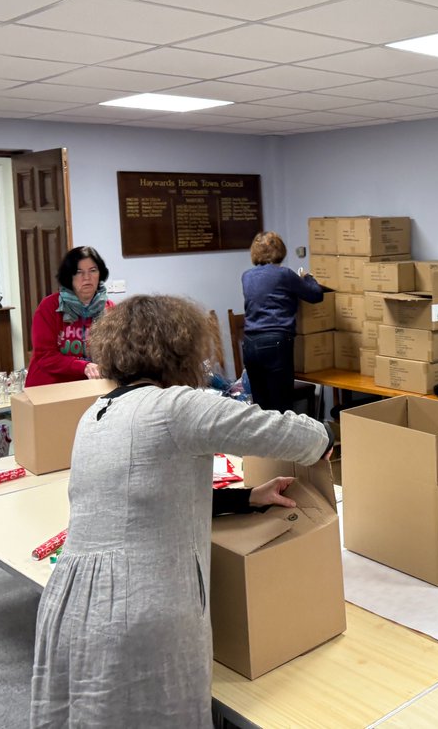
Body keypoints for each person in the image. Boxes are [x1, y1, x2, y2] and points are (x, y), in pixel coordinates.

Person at [30, 294, 333, 728]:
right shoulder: (176, 406)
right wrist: (325, 435)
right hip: (139, 605)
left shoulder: (96, 413)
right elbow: (287, 434)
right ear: (182, 349)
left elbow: (145, 495)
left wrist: (246, 498)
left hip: (69, 603)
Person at [240, 231, 324, 412]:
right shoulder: (284, 275)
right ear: (280, 251)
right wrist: (307, 278)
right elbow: (315, 295)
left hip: (250, 344)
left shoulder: (246, 276)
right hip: (276, 342)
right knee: (281, 405)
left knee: (261, 407)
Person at [25, 246, 113, 387]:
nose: (87, 278)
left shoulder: (109, 309)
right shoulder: (50, 306)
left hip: (92, 387)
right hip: (50, 387)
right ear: (69, 276)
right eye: (79, 272)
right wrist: (83, 366)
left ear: (100, 274)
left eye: (93, 271)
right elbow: (45, 355)